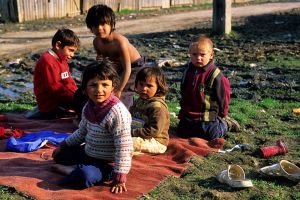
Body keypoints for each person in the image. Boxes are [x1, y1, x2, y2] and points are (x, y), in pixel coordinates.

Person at [51, 61, 133, 193]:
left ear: (113, 87)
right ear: (85, 89)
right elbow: (81, 131)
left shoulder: (118, 113)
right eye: (93, 85)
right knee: (60, 155)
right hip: (89, 153)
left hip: (108, 163)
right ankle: (78, 167)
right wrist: (63, 145)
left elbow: (124, 147)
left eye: (105, 85)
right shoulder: (88, 107)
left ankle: (75, 170)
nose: (99, 90)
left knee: (84, 176)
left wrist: (120, 176)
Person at [177, 35, 240, 141]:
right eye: (194, 54)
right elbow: (183, 91)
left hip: (207, 116)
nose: (198, 58)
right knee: (182, 133)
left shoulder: (215, 75)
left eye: (202, 55)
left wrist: (223, 114)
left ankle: (225, 124)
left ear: (211, 55)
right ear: (189, 54)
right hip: (189, 115)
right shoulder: (187, 71)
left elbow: (223, 97)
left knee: (211, 136)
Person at [85, 4, 145, 108]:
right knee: (107, 88)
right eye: (95, 25)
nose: (99, 28)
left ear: (112, 25)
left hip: (134, 67)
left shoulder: (120, 42)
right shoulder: (96, 42)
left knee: (122, 95)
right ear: (90, 28)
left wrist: (119, 90)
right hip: (117, 66)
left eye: (103, 24)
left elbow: (128, 70)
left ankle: (126, 114)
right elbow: (100, 61)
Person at [29, 28, 86, 119]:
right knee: (83, 108)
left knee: (85, 98)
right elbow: (55, 88)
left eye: (74, 52)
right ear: (58, 45)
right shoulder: (48, 61)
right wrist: (74, 98)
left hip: (60, 98)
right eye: (70, 50)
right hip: (49, 104)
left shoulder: (62, 59)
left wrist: (77, 93)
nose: (72, 55)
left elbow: (68, 81)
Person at [130, 66, 169, 154]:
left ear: (159, 87)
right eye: (141, 84)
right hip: (138, 135)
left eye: (149, 86)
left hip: (156, 141)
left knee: (127, 144)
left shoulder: (157, 107)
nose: (144, 88)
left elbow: (154, 130)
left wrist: (132, 132)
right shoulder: (139, 101)